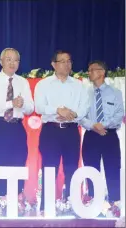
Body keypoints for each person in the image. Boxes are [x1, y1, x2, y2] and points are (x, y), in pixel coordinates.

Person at [34, 50, 89, 211]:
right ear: (53, 64)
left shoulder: (78, 85)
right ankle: (46, 207)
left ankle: (73, 206)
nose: (67, 64)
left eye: (69, 61)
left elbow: (84, 107)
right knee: (49, 168)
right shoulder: (43, 84)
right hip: (51, 132)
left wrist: (72, 115)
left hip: (71, 131)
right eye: (62, 61)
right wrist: (58, 110)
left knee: (72, 167)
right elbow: (39, 106)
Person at [0, 48, 34, 199]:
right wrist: (10, 103)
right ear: (1, 62)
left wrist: (22, 104)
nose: (12, 63)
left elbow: (31, 108)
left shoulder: (23, 82)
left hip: (17, 127)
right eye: (8, 59)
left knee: (18, 161)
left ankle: (17, 199)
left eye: (15, 60)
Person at [80, 60, 124, 204]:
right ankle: (93, 200)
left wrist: (102, 125)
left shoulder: (115, 93)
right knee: (91, 169)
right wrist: (93, 126)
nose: (89, 73)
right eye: (89, 70)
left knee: (113, 168)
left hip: (109, 135)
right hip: (91, 135)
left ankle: (115, 202)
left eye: (92, 70)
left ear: (101, 72)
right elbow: (80, 116)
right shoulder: (85, 93)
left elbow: (119, 115)